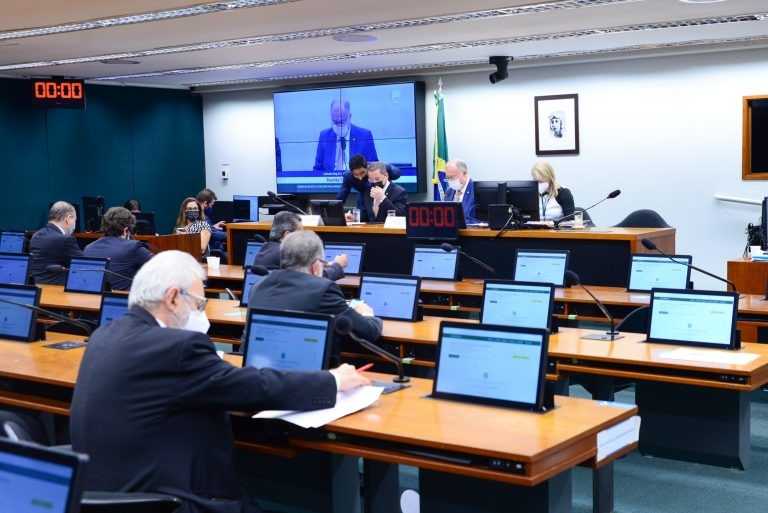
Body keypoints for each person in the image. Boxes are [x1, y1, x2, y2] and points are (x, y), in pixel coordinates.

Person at [70, 250, 369, 513]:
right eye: (199, 304)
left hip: (106, 489)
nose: (203, 313)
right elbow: (256, 388)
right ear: (173, 298)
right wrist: (332, 380)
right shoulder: (180, 348)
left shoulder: (104, 335)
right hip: (174, 499)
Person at [248, 230, 383, 366]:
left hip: (256, 370)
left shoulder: (258, 285)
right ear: (315, 265)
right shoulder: (323, 289)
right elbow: (368, 331)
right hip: (304, 375)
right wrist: (367, 314)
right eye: (323, 263)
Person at [254, 211, 347, 280]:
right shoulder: (286, 254)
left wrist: (323, 265)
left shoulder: (267, 248)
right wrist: (337, 266)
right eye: (300, 232)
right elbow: (314, 281)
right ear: (287, 235)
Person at [83, 207, 154, 291]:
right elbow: (161, 266)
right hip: (123, 301)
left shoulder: (88, 248)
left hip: (93, 301)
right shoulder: (133, 247)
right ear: (126, 230)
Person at [313, 100, 378, 172]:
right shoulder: (324, 136)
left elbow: (373, 167)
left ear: (349, 117)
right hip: (330, 181)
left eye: (341, 122)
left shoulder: (364, 136)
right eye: (335, 122)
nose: (338, 125)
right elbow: (317, 168)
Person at [29, 201, 84, 285]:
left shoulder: (36, 236)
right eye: (75, 220)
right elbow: (84, 265)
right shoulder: (65, 240)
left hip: (37, 288)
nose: (74, 223)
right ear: (68, 218)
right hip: (57, 291)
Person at [337, 154, 402, 212]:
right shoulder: (348, 176)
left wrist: (385, 179)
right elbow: (341, 196)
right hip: (363, 198)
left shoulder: (379, 168)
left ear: (367, 167)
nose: (360, 178)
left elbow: (397, 173)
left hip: (383, 196)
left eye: (362, 172)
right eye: (356, 174)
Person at [443, 159, 475, 223]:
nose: (450, 181)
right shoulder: (449, 191)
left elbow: (480, 221)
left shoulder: (475, 191)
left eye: (452, 177)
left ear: (464, 173)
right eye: (448, 178)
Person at [196, 188, 227, 253]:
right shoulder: (203, 217)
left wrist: (213, 227)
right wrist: (234, 234)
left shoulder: (193, 214)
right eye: (211, 205)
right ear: (205, 203)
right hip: (211, 254)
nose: (211, 208)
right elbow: (218, 235)